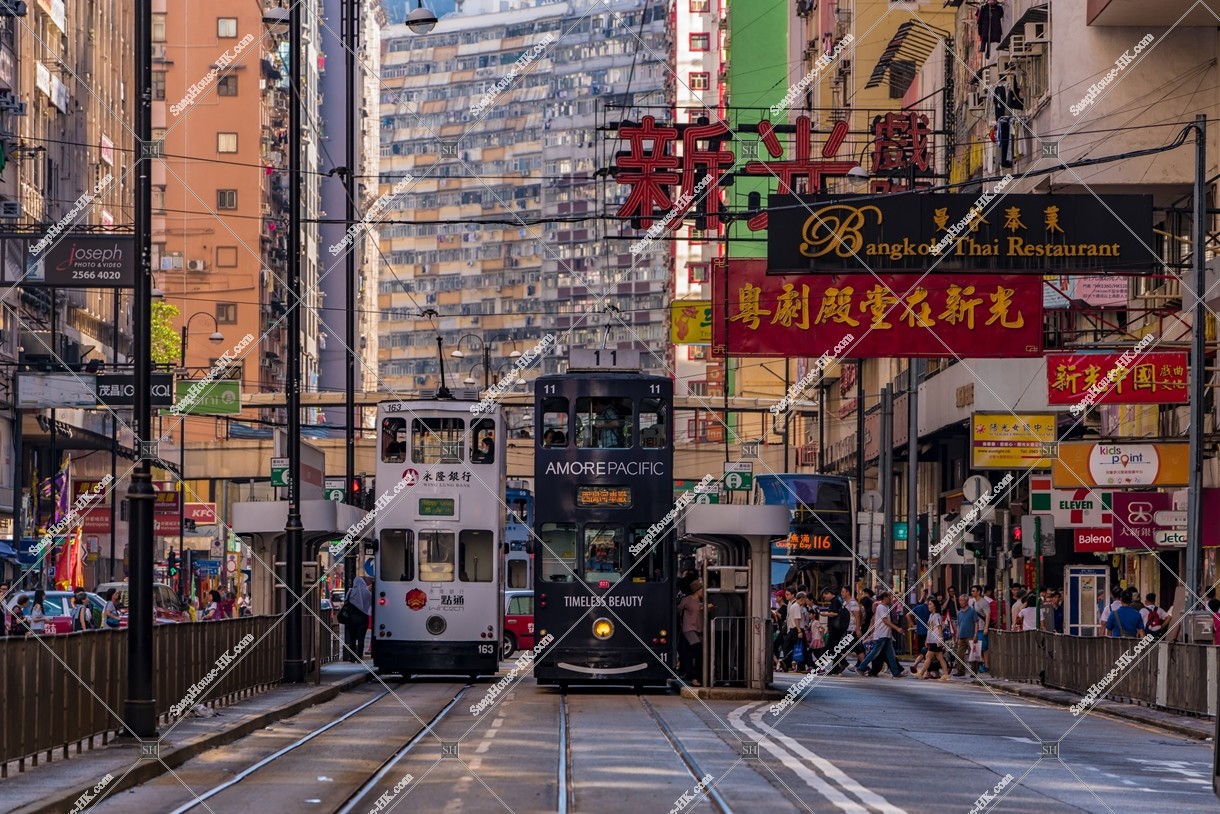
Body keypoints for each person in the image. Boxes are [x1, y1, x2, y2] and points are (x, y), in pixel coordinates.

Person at [856, 592, 906, 678]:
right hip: (881, 635)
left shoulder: (886, 607)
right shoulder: (881, 607)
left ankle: (896, 672)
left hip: (886, 635)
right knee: (874, 653)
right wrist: (896, 628)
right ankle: (861, 667)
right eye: (889, 597)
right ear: (885, 597)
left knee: (891, 655)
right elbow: (885, 620)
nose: (891, 599)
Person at [914, 599, 951, 681]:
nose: (928, 606)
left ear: (934, 606)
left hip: (936, 640)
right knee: (940, 657)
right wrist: (927, 639)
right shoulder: (931, 616)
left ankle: (921, 673)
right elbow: (930, 629)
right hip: (932, 640)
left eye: (930, 604)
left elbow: (939, 628)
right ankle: (945, 674)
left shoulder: (937, 616)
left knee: (928, 656)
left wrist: (940, 639)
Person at [679, 580, 707, 686]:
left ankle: (696, 675)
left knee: (700, 653)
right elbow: (677, 610)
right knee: (699, 650)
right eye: (702, 589)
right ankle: (695, 678)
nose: (703, 591)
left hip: (699, 630)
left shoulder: (703, 601)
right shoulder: (687, 600)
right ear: (697, 590)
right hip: (689, 629)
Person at [343, 576, 373, 661]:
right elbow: (371, 603)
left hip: (351, 619)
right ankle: (359, 657)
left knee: (352, 639)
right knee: (361, 639)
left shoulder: (351, 592)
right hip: (363, 619)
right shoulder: (367, 593)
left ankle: (352, 657)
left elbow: (345, 602)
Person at [952, 594, 979, 676]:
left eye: (962, 601)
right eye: (960, 601)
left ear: (967, 601)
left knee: (973, 654)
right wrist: (957, 637)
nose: (960, 602)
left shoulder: (972, 611)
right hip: (962, 636)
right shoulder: (959, 613)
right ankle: (960, 671)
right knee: (959, 654)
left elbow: (976, 623)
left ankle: (974, 672)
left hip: (970, 635)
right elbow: (959, 626)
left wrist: (975, 635)